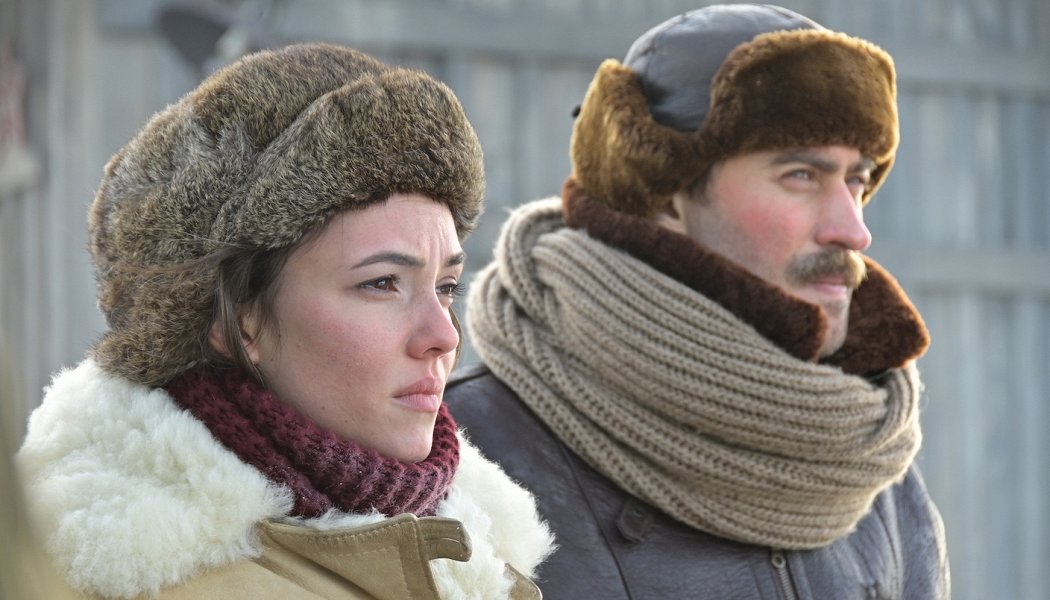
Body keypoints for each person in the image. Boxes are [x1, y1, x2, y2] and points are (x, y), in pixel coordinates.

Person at [445, 4, 949, 599]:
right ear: (667, 196)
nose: (853, 230)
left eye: (856, 180)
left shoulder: (875, 470)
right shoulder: (463, 458)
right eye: (801, 176)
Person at [16, 43, 553, 600]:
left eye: (446, 287)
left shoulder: (486, 548)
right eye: (381, 283)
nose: (443, 337)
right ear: (239, 320)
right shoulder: (148, 582)